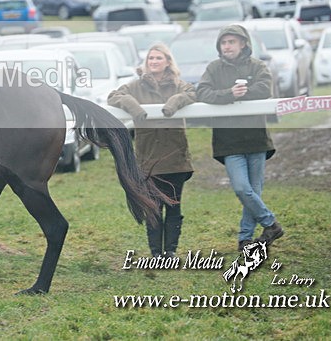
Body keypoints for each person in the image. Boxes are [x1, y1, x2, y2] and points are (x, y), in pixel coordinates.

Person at [196, 24, 283, 252]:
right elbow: (202, 92)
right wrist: (228, 95)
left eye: (231, 42)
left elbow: (265, 88)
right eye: (224, 43)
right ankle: (271, 224)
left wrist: (243, 93)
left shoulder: (258, 66)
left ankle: (245, 239)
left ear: (243, 43)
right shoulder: (213, 69)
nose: (227, 46)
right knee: (242, 189)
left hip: (257, 140)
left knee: (253, 192)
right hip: (228, 142)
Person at [108, 43, 196, 258]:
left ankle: (171, 252)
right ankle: (156, 253)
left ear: (168, 61)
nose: (154, 62)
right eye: (150, 59)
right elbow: (113, 96)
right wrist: (132, 106)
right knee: (153, 207)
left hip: (175, 155)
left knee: (174, 206)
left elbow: (193, 93)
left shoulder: (179, 85)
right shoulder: (135, 86)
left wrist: (174, 103)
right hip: (147, 157)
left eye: (158, 58)